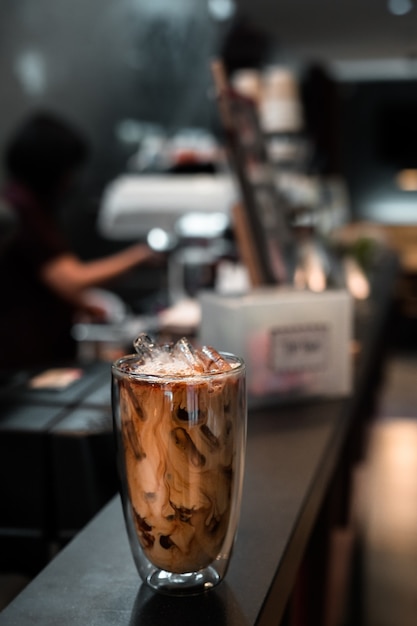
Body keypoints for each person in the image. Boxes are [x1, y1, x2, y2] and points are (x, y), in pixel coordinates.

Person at [0, 111, 161, 371]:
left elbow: (43, 278)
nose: (71, 180)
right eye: (69, 169)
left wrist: (84, 303)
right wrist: (138, 256)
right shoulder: (23, 209)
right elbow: (70, 278)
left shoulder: (28, 204)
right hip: (25, 354)